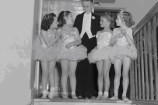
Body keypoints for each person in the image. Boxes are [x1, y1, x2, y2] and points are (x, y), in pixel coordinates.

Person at [73, 0, 101, 99]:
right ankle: (79, 92)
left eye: (88, 6)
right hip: (81, 42)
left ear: (92, 5)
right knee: (80, 67)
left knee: (91, 68)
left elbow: (99, 32)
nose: (86, 8)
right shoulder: (78, 17)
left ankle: (91, 92)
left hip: (92, 42)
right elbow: (74, 30)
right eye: (84, 6)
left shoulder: (97, 18)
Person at [57, 11, 87, 99]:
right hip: (63, 52)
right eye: (70, 17)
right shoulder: (60, 30)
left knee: (72, 73)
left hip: (74, 51)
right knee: (64, 72)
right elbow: (57, 41)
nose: (72, 18)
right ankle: (64, 93)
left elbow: (79, 40)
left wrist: (73, 43)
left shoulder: (75, 29)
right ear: (65, 18)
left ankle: (73, 93)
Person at [109, 10, 137, 102]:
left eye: (117, 19)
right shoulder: (115, 30)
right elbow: (111, 42)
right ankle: (116, 95)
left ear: (123, 20)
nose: (116, 20)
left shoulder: (129, 30)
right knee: (117, 74)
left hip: (127, 53)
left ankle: (124, 94)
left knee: (125, 74)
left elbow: (132, 43)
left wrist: (126, 35)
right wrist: (116, 36)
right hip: (117, 53)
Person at [33, 13, 60, 99]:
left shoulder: (55, 30)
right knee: (45, 72)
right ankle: (44, 91)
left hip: (52, 52)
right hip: (44, 52)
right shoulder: (43, 31)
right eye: (55, 21)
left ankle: (52, 90)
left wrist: (57, 39)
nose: (57, 23)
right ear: (50, 22)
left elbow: (55, 44)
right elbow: (48, 44)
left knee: (51, 70)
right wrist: (57, 37)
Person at [88, 13, 113, 100]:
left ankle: (106, 93)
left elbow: (112, 43)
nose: (100, 22)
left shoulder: (111, 32)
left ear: (108, 22)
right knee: (100, 74)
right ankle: (99, 93)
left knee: (106, 73)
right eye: (100, 20)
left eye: (102, 21)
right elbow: (98, 44)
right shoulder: (98, 32)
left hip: (107, 53)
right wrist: (93, 50)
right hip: (99, 53)